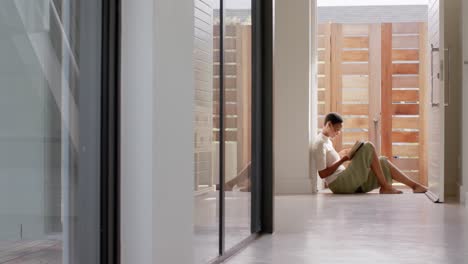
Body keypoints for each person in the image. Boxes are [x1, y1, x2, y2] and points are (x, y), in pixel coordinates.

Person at [312, 112, 428, 194]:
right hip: (339, 184)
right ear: (328, 125)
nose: (338, 133)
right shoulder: (320, 144)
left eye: (339, 130)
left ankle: (414, 186)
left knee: (382, 161)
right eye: (336, 129)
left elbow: (330, 161)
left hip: (345, 179)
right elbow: (322, 174)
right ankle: (386, 187)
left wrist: (342, 154)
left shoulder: (327, 141)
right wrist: (343, 160)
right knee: (369, 146)